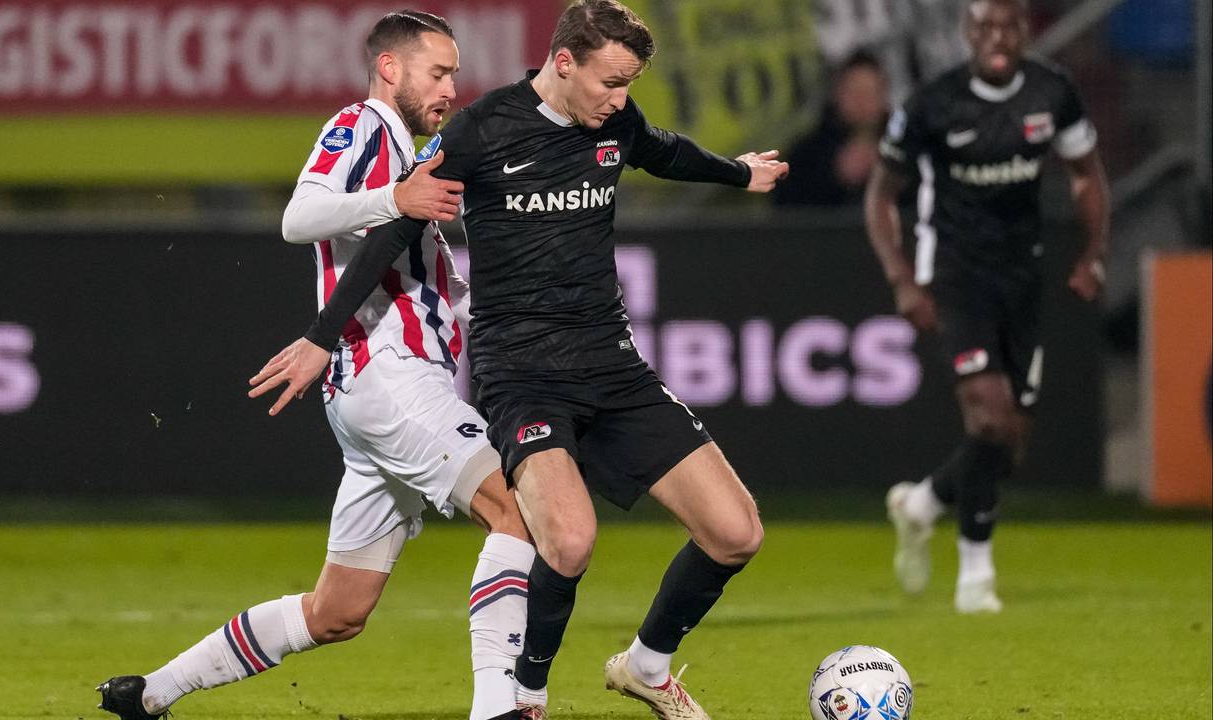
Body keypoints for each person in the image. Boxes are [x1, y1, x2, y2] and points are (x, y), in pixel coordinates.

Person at [248, 2, 789, 717]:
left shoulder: (615, 122)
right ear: (563, 62)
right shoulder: (483, 129)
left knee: (736, 531)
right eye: (611, 81)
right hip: (522, 375)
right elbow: (392, 230)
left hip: (612, 366)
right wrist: (323, 336)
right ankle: (522, 695)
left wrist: (736, 173)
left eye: (629, 84)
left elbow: (664, 149)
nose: (620, 99)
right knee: (566, 540)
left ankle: (647, 668)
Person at [96, 13, 534, 720]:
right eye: (439, 71)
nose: (451, 88)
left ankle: (153, 692)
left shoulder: (403, 149)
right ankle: (498, 709)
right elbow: (298, 218)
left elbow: (425, 276)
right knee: (517, 510)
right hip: (390, 375)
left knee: (337, 611)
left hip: (374, 394)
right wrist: (396, 197)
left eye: (454, 73)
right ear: (390, 67)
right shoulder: (362, 124)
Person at [864, 0, 1109, 613]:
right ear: (967, 35)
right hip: (954, 275)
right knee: (990, 420)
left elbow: (1086, 175)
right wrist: (902, 280)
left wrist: (1093, 254)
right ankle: (976, 576)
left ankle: (921, 505)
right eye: (984, 27)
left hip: (1022, 277)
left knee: (1010, 443)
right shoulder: (933, 104)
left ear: (1025, 32)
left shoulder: (1052, 93)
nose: (997, 38)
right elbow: (880, 198)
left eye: (1008, 26)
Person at [771, 50, 889, 206]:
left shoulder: (906, 149)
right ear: (837, 95)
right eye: (854, 93)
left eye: (869, 94)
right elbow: (787, 210)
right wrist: (834, 174)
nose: (862, 103)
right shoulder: (807, 154)